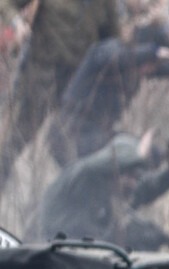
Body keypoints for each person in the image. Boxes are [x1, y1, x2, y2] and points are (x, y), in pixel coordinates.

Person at [49, 28, 169, 166]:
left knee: (151, 154)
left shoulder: (136, 67)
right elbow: (119, 58)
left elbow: (159, 68)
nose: (151, 70)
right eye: (151, 62)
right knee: (129, 156)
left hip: (97, 133)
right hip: (71, 130)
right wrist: (153, 52)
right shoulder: (108, 51)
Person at [0, 0, 121, 190]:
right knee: (10, 147)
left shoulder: (105, 3)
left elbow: (113, 44)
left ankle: (65, 208)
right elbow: (6, 4)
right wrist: (17, 24)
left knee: (73, 154)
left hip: (76, 92)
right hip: (39, 80)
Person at [37, 128, 169, 247]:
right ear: (114, 167)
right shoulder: (84, 176)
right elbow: (84, 233)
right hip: (53, 249)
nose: (133, 182)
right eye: (129, 175)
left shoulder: (112, 189)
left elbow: (144, 188)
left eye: (136, 177)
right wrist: (137, 156)